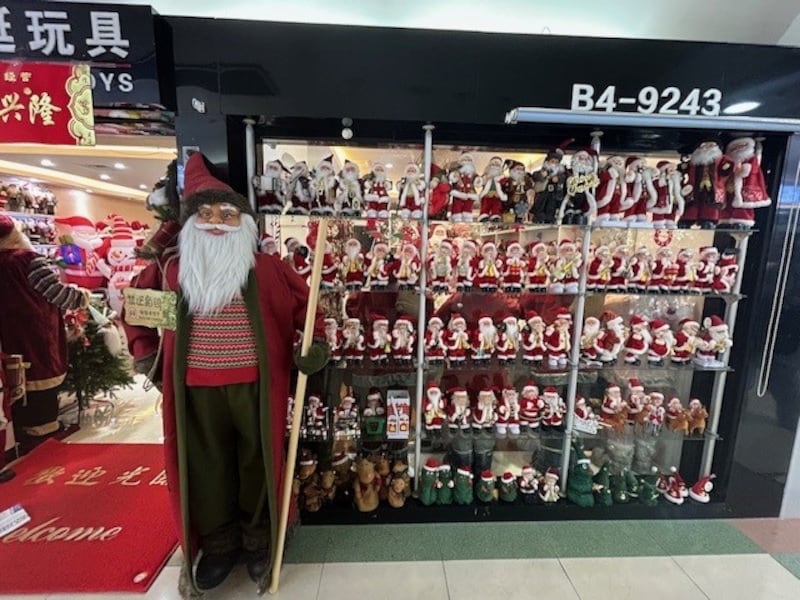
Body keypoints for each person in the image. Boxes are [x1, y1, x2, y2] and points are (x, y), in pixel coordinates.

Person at [124, 153, 328, 593]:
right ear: (190, 222)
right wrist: (145, 355)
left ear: (245, 223)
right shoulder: (170, 271)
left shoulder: (268, 270)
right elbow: (137, 311)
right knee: (206, 466)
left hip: (257, 386)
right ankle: (218, 543)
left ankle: (258, 538)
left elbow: (309, 311)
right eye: (206, 214)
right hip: (195, 391)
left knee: (258, 462)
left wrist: (314, 347)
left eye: (228, 214)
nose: (216, 222)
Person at [0, 214, 89, 455]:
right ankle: (43, 434)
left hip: (8, 336)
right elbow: (56, 293)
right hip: (36, 333)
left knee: (17, 381)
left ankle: (20, 434)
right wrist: (81, 297)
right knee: (41, 378)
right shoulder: (27, 260)